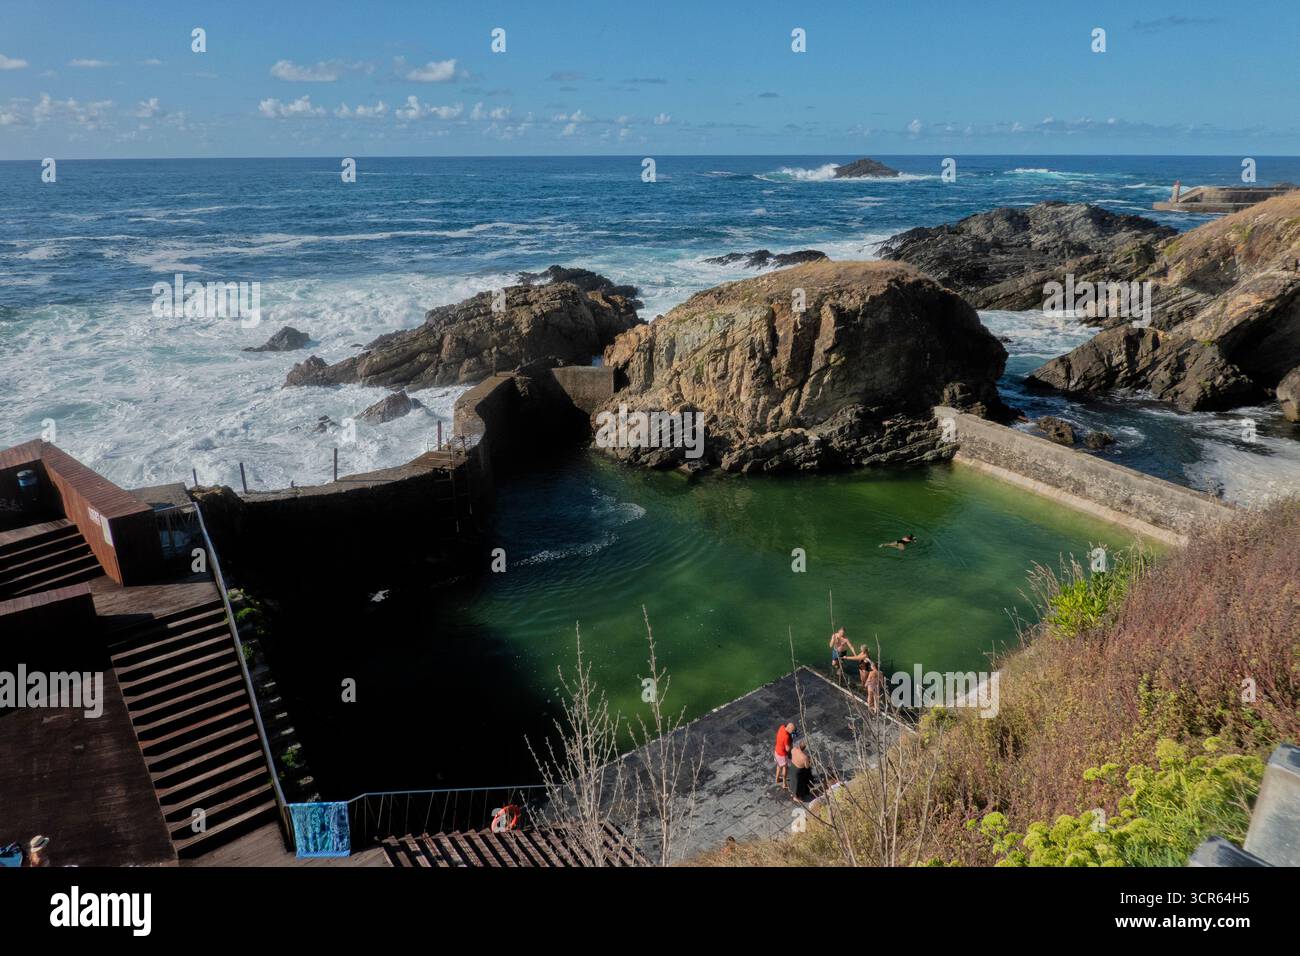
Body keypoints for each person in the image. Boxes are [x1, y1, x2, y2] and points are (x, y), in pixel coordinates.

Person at [789, 736, 814, 802]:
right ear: (804, 748)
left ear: (799, 745)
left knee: (793, 781)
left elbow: (792, 755)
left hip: (792, 767)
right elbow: (807, 767)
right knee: (798, 784)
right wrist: (810, 761)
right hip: (798, 771)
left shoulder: (793, 749)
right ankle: (796, 797)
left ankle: (793, 793)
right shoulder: (804, 757)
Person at [774, 721, 795, 789]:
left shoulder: (782, 727)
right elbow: (787, 749)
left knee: (778, 765)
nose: (792, 732)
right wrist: (791, 746)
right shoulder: (786, 737)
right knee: (785, 767)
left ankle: (777, 779)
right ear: (789, 729)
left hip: (777, 751)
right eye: (792, 731)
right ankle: (784, 783)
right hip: (782, 755)